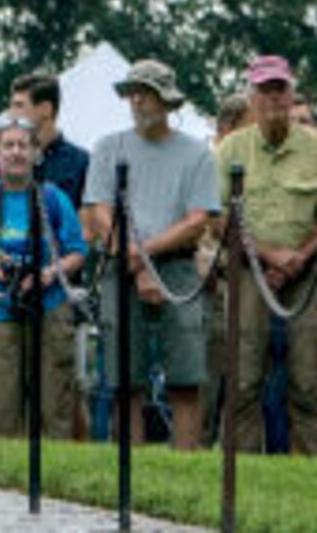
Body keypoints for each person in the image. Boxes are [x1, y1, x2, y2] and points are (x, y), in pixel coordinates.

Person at [84, 60, 220, 452]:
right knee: (126, 381)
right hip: (119, 265)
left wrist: (143, 255)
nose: (137, 100)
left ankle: (185, 467)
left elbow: (198, 220)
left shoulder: (196, 153)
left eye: (145, 92)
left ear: (166, 100)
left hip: (177, 267)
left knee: (186, 378)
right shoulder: (108, 147)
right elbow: (98, 212)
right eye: (132, 92)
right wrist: (132, 256)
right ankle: (132, 469)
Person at [212, 55, 317, 456]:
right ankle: (242, 473)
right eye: (265, 90)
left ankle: (314, 475)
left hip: (305, 276)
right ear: (251, 97)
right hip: (247, 273)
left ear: (292, 92)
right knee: (243, 381)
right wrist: (267, 255)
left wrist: (298, 257)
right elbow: (217, 220)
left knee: (308, 382)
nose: (274, 98)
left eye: (280, 89)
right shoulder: (230, 149)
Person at [0, 117, 86, 443]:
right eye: (9, 145)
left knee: (53, 407)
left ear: (36, 152)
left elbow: (77, 251)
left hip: (48, 307)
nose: (16, 153)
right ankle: (4, 485)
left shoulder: (54, 198)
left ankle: (55, 480)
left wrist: (47, 274)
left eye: (23, 145)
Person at [14, 72, 92, 203]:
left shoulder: (81, 163)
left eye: (19, 106)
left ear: (45, 109)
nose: (12, 114)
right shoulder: (3, 162)